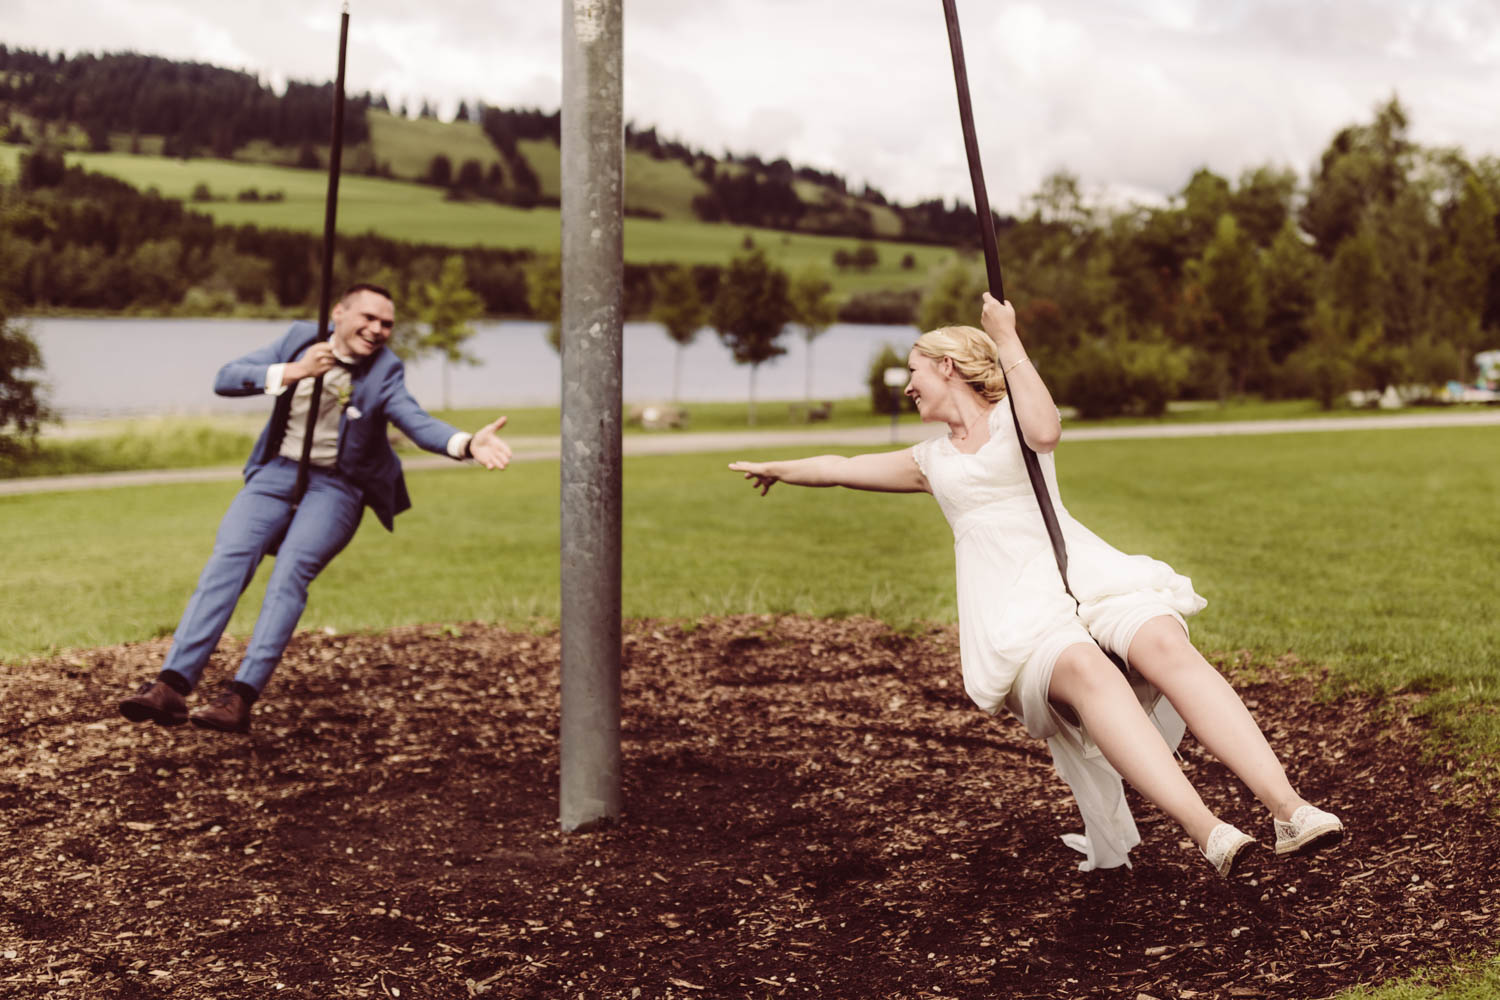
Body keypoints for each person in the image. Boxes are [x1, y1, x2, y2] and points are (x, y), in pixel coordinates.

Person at [728, 292, 1344, 876]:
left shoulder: (1014, 422)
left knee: (1162, 642)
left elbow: (1046, 430)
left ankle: (1290, 810)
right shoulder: (931, 461)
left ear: (947, 367)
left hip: (1083, 572)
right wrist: (778, 469)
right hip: (1016, 608)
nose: (908, 384)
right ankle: (1209, 831)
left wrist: (1008, 337)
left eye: (914, 370)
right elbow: (841, 468)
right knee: (1088, 671)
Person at [119, 283, 513, 734]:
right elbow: (227, 378)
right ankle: (171, 686)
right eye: (368, 318)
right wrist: (294, 371)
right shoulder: (299, 340)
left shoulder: (386, 370)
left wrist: (465, 443)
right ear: (339, 313)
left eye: (386, 323)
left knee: (291, 571)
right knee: (228, 559)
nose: (378, 329)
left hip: (338, 487)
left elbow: (416, 421)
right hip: (276, 473)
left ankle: (240, 697)